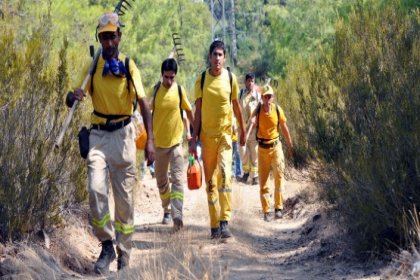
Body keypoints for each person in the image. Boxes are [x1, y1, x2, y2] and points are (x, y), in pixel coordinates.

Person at [69, 12, 155, 274]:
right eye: (104, 37)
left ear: (119, 37)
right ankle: (106, 244)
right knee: (95, 189)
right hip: (97, 136)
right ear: (100, 38)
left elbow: (143, 103)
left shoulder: (129, 66)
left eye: (112, 37)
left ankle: (124, 252)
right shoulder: (92, 66)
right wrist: (73, 95)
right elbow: (72, 99)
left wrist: (150, 140)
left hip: (124, 137)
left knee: (125, 202)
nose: (108, 42)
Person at [190, 40, 246, 239]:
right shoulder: (202, 79)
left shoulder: (230, 78)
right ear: (209, 56)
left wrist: (244, 129)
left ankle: (224, 221)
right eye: (214, 54)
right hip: (207, 139)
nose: (217, 59)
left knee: (226, 173)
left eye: (220, 55)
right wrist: (193, 139)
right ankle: (214, 225)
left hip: (225, 136)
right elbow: (197, 112)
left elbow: (236, 106)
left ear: (225, 57)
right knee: (211, 184)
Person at [150, 58, 194, 231]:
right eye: (166, 77)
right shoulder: (155, 92)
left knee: (177, 180)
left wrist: (194, 132)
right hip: (159, 145)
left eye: (172, 78)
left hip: (176, 143)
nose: (169, 81)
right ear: (161, 75)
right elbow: (146, 112)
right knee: (161, 181)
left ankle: (177, 214)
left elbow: (189, 112)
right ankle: (166, 208)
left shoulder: (180, 91)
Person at [246, 85, 293, 222]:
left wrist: (290, 144)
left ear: (272, 97)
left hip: (276, 147)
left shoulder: (278, 110)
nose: (267, 99)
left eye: (269, 96)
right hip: (262, 149)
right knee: (264, 181)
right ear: (262, 98)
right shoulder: (258, 110)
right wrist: (246, 135)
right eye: (265, 96)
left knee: (279, 176)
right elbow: (252, 123)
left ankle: (278, 208)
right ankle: (266, 211)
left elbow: (284, 127)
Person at [239, 73, 260, 185]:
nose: (250, 83)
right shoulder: (241, 94)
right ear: (245, 82)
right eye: (248, 81)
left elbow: (260, 111)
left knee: (254, 153)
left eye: (252, 81)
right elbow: (236, 109)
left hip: (253, 130)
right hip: (242, 129)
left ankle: (255, 176)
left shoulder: (257, 96)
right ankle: (246, 172)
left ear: (254, 82)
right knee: (243, 152)